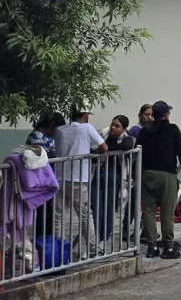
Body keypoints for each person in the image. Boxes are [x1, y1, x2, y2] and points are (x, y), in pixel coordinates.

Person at [135, 101, 181, 259]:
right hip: (167, 174)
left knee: (148, 212)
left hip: (147, 174)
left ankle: (151, 247)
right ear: (166, 115)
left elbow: (137, 151)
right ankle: (168, 247)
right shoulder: (172, 129)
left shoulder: (145, 130)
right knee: (167, 212)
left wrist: (137, 174)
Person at [53, 108, 107, 260]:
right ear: (85, 116)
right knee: (85, 216)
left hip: (59, 177)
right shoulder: (87, 128)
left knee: (58, 217)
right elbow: (104, 147)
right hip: (77, 178)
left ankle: (59, 250)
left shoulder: (60, 130)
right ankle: (92, 248)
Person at [92, 115, 136, 253]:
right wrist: (105, 148)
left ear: (123, 129)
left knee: (108, 210)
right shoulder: (103, 135)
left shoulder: (126, 139)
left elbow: (127, 145)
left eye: (117, 126)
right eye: (112, 124)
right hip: (98, 174)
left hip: (114, 176)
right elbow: (93, 150)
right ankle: (94, 240)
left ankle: (103, 241)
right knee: (96, 209)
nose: (112, 128)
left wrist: (106, 149)